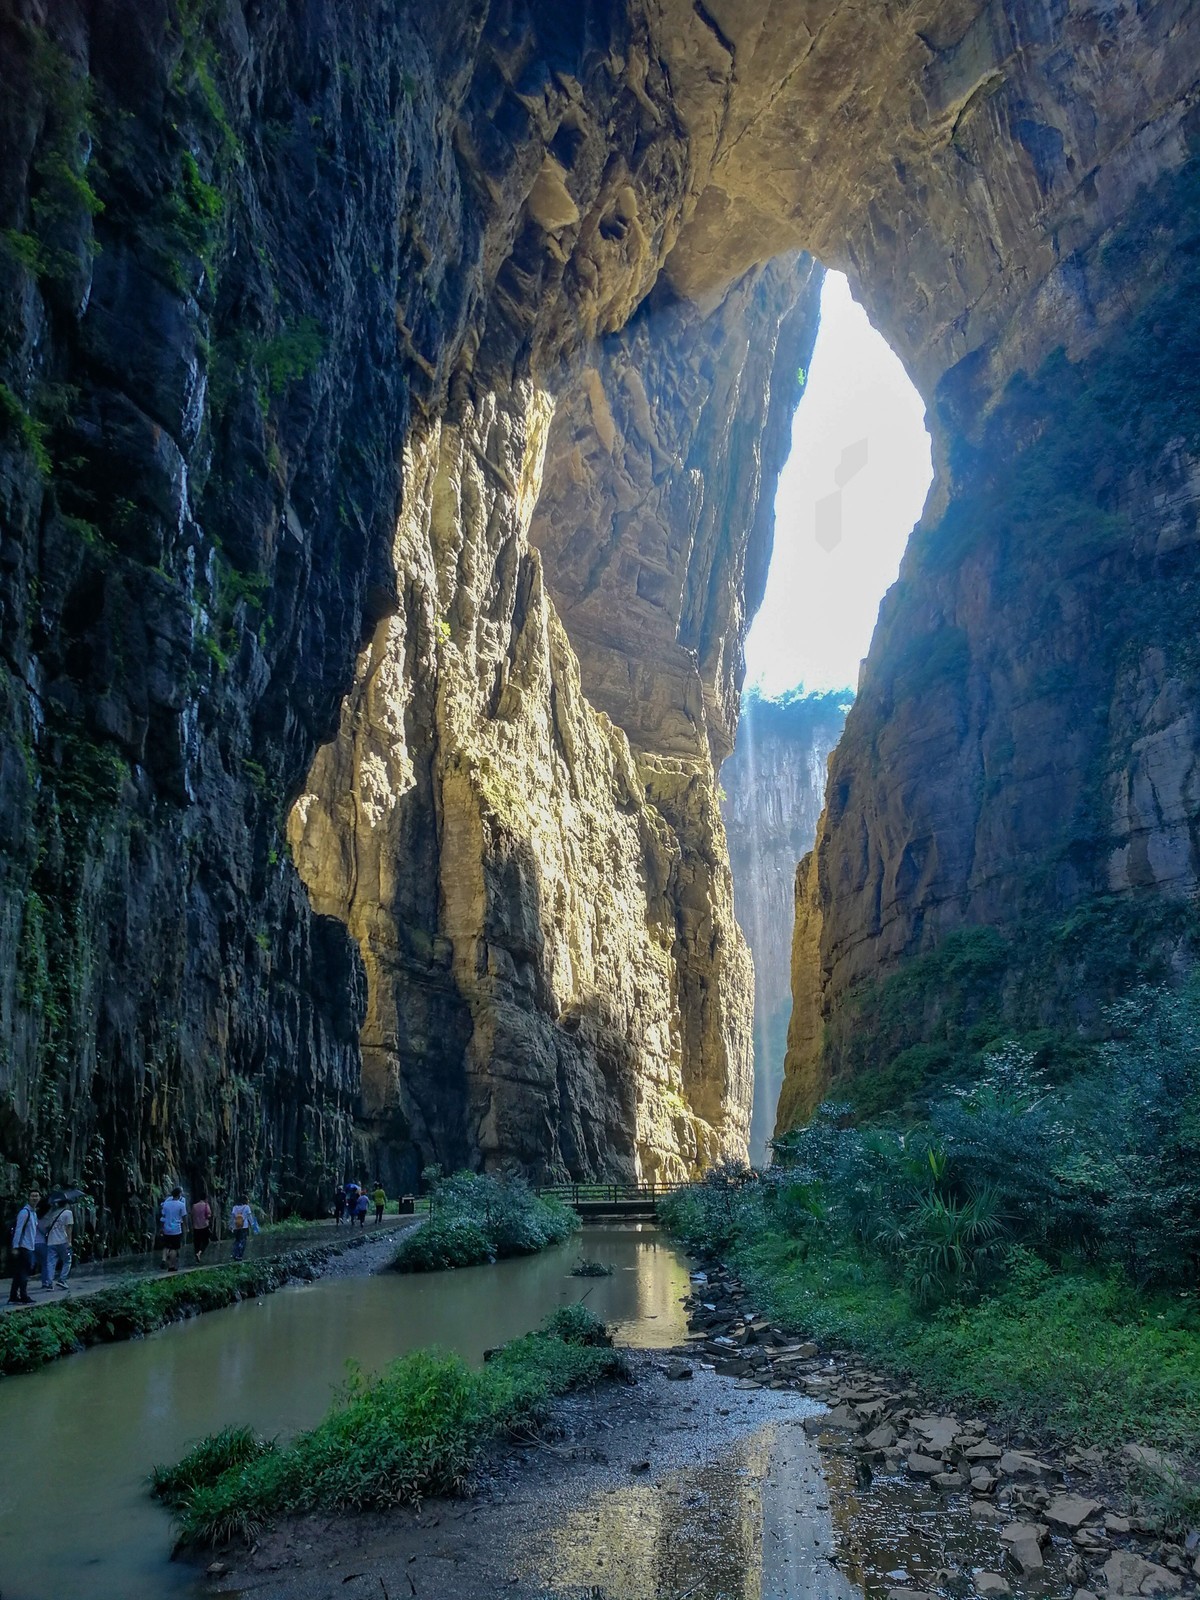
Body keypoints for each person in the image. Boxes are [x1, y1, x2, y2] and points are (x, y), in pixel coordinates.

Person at [8, 1187, 40, 1305]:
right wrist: (15, 1247)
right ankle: (24, 1296)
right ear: (28, 1198)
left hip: (30, 1246)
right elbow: (18, 1230)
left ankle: (13, 1296)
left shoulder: (33, 1213)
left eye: (36, 1196)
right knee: (24, 1273)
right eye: (32, 1196)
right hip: (23, 1247)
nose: (35, 1198)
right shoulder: (24, 1212)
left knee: (19, 1272)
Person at [41, 1195, 74, 1289]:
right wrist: (69, 1242)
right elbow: (69, 1228)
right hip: (63, 1241)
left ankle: (49, 1283)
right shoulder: (68, 1213)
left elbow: (46, 1227)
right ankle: (62, 1280)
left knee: (51, 1263)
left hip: (51, 1242)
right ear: (66, 1203)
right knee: (67, 1260)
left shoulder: (52, 1213)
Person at [160, 1186, 187, 1272]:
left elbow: (163, 1217)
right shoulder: (181, 1205)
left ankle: (164, 1260)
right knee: (174, 1248)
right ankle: (171, 1266)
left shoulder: (166, 1204)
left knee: (166, 1245)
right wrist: (187, 1227)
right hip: (176, 1229)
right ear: (179, 1195)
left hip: (166, 1228)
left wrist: (161, 1227)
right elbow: (184, 1217)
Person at [191, 1194, 212, 1262]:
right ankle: (200, 1253)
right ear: (206, 1199)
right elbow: (209, 1215)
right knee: (206, 1241)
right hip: (204, 1226)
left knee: (197, 1242)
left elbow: (192, 1214)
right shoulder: (206, 1205)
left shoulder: (194, 1206)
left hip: (196, 1226)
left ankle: (197, 1254)